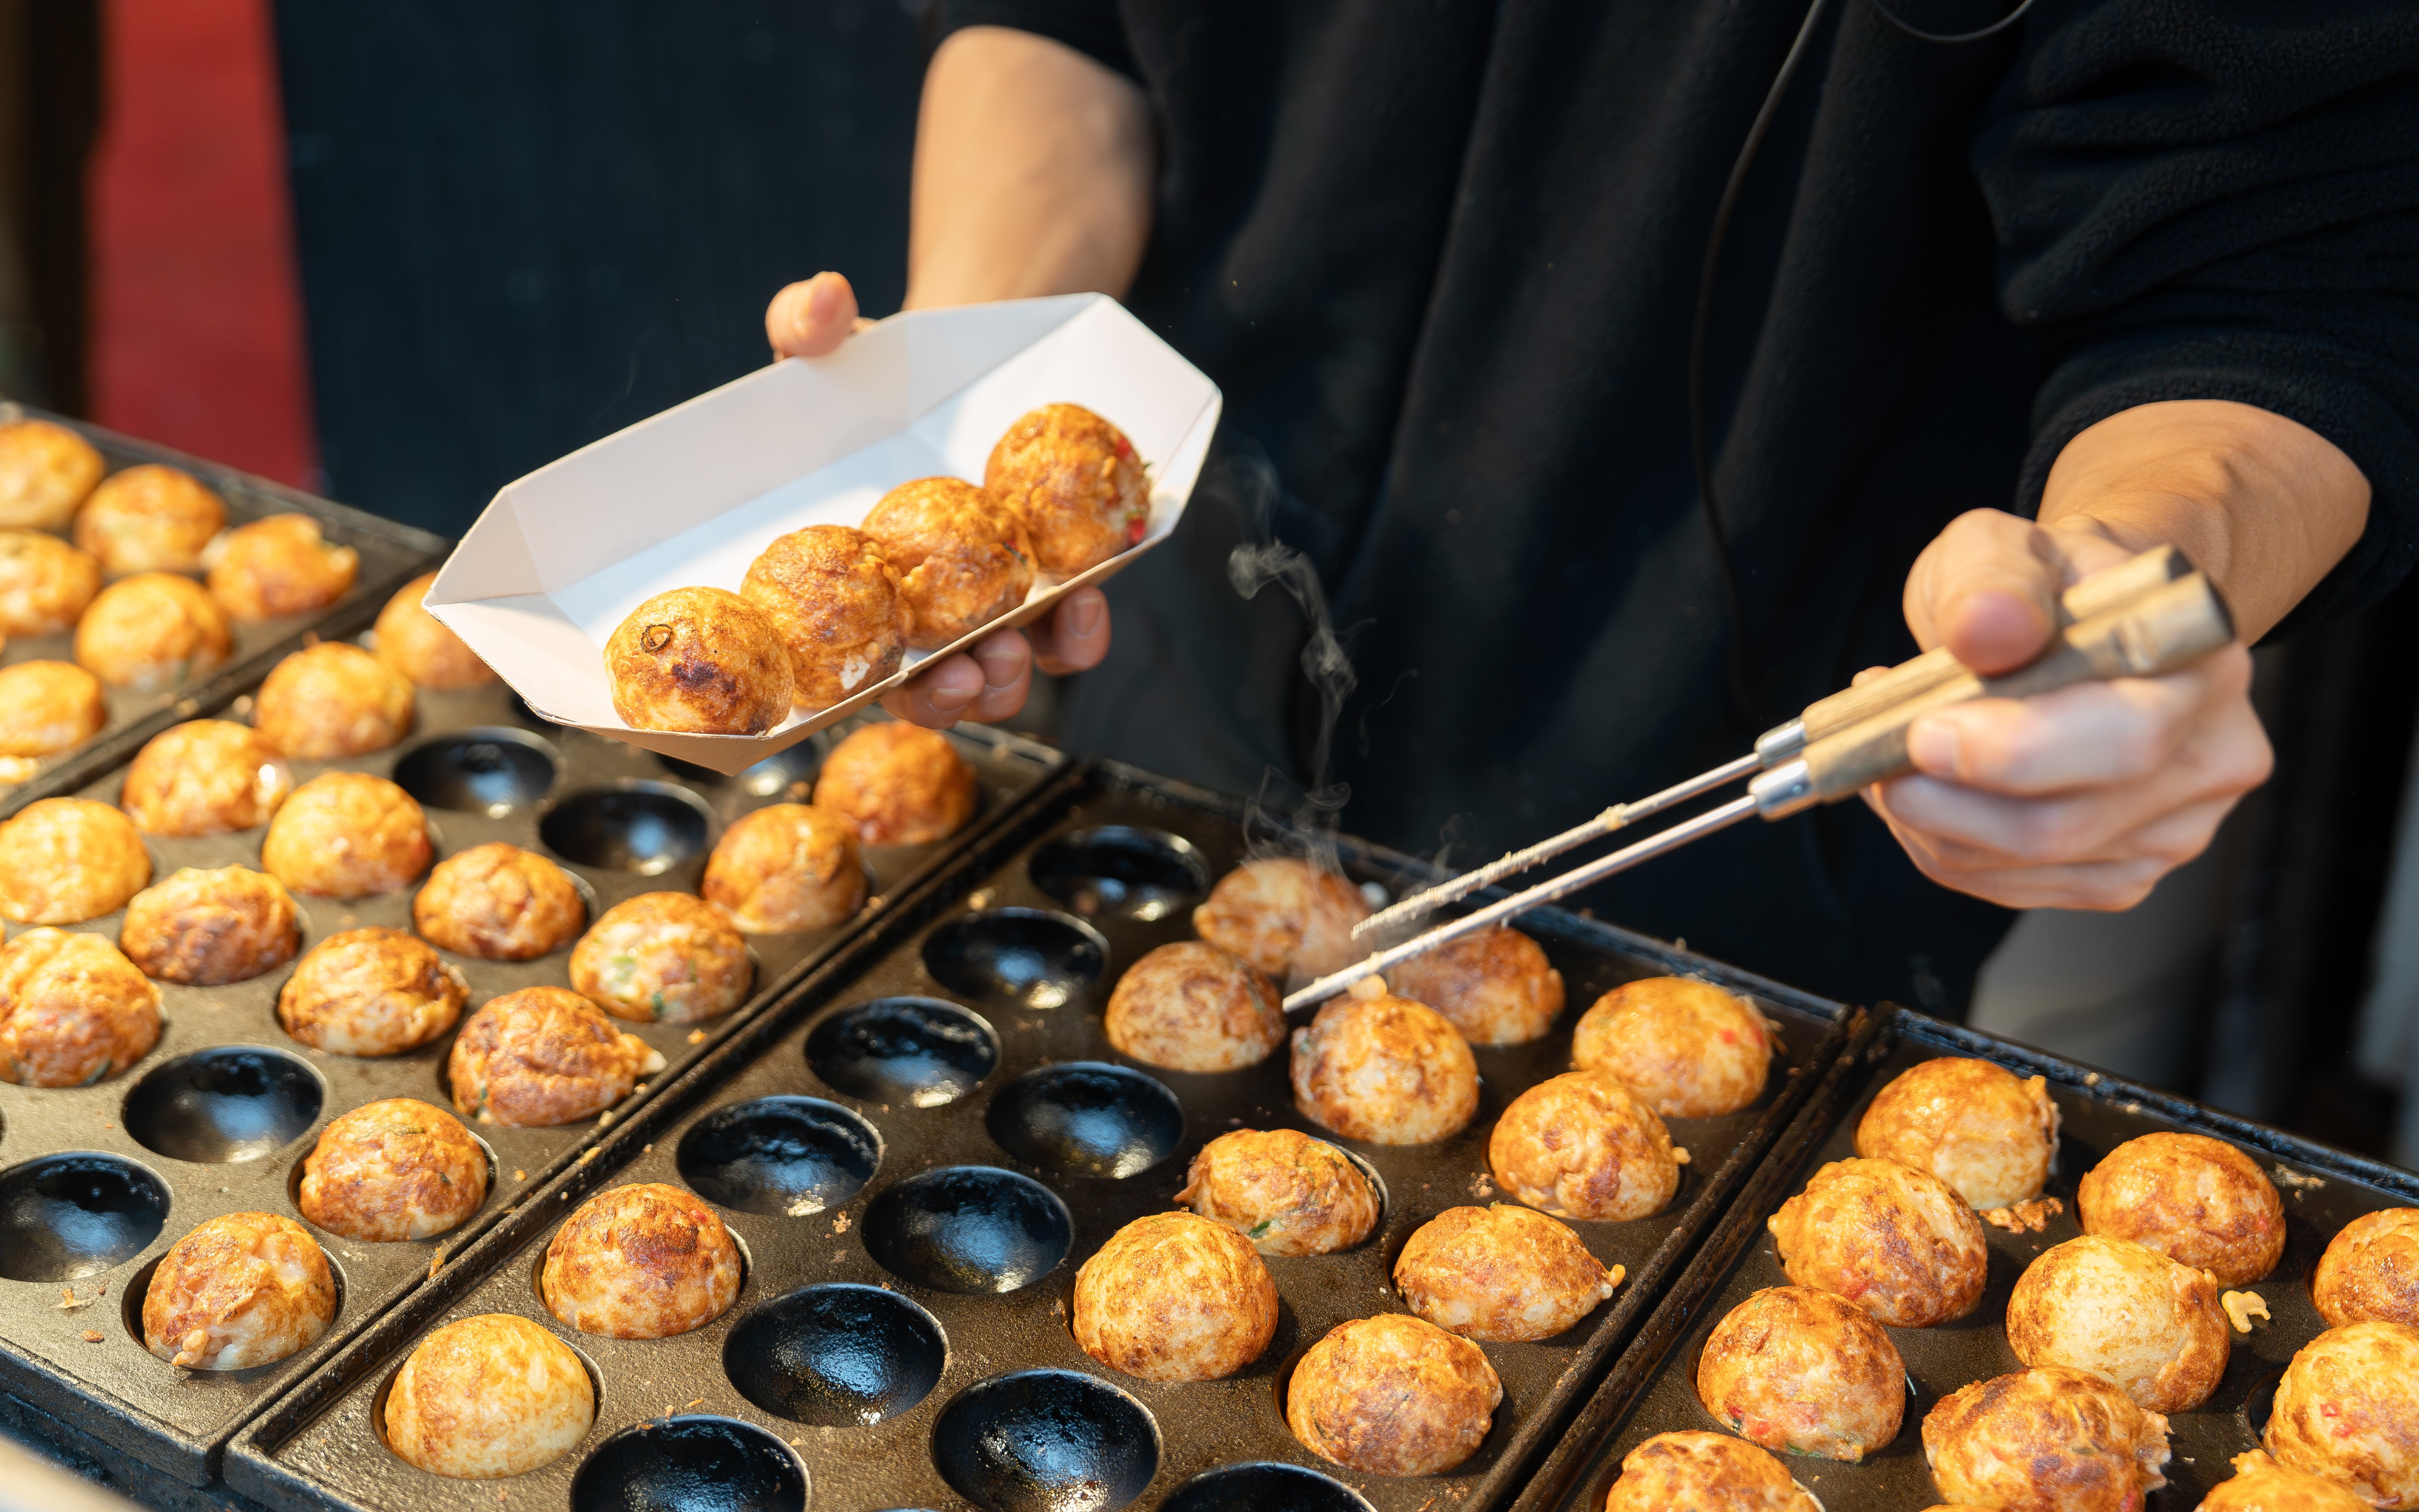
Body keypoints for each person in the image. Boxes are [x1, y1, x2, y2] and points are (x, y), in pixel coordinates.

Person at [763, 2, 2416, 1014]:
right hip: (1145, 656)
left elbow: (2285, 273)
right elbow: (1070, 25)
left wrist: (2136, 578)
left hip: (1763, 789)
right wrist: (973, 403)